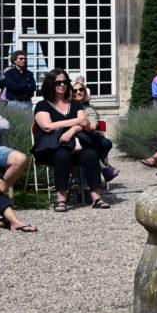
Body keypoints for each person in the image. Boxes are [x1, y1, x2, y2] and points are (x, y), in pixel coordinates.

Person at [33, 69, 109, 211]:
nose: (62, 85)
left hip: (76, 145)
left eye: (65, 82)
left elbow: (85, 123)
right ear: (50, 84)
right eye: (58, 82)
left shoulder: (75, 104)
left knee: (91, 154)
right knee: (62, 155)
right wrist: (76, 121)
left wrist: (73, 129)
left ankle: (96, 198)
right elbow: (48, 127)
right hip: (52, 148)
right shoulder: (42, 105)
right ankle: (61, 200)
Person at [71, 80, 118, 183]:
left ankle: (98, 169)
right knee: (86, 145)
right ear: (71, 93)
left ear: (85, 92)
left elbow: (93, 125)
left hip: (88, 136)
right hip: (74, 139)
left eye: (81, 89)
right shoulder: (68, 107)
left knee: (106, 143)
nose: (78, 92)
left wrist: (87, 123)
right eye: (75, 91)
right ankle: (103, 169)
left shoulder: (89, 108)